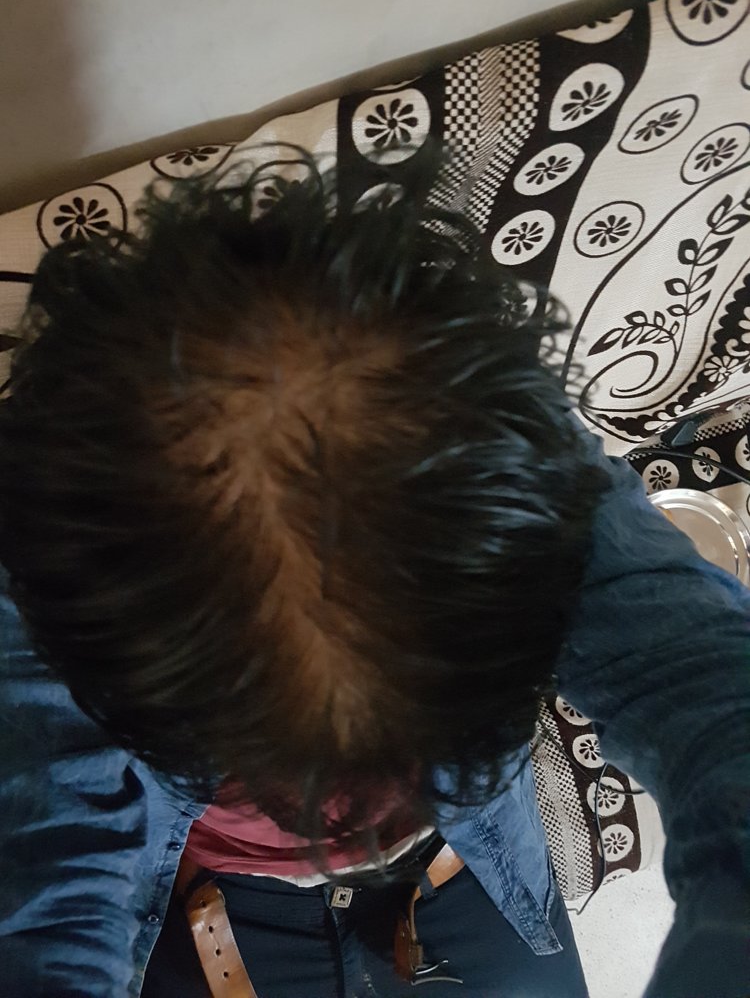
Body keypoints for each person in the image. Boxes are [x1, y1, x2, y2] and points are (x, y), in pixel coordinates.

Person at [0, 152, 747, 998]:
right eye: (271, 766)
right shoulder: (47, 546)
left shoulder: (514, 460)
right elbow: (49, 891)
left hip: (469, 857)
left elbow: (709, 690)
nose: (353, 827)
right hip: (213, 891)